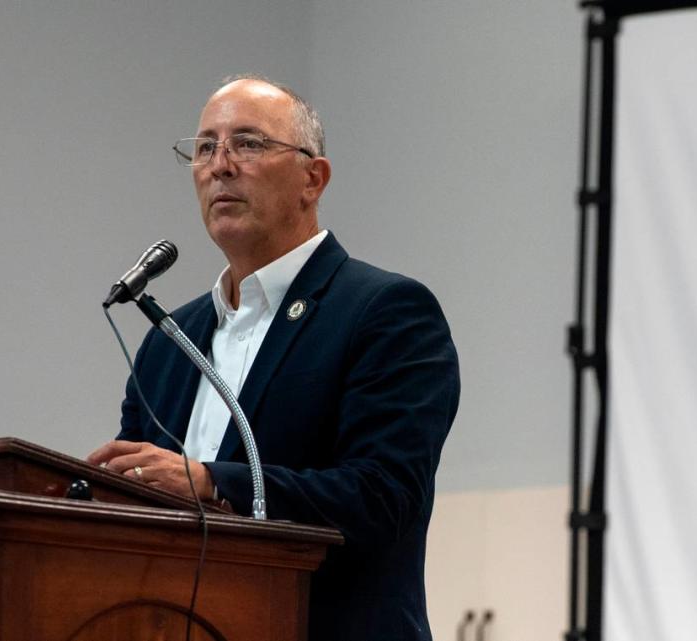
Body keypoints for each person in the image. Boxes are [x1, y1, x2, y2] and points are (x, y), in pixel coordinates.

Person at [86, 74, 460, 640]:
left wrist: (214, 482)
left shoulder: (385, 311)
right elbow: (144, 498)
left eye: (249, 143)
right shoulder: (170, 337)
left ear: (313, 178)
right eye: (206, 147)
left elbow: (384, 500)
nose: (220, 165)